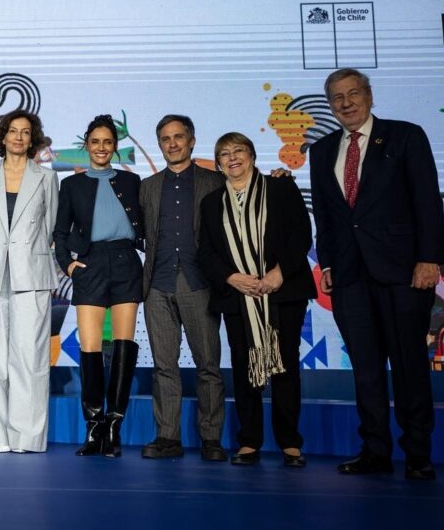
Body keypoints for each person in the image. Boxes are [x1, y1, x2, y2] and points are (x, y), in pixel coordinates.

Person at [309, 68, 443, 481]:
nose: (346, 103)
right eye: (337, 97)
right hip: (350, 276)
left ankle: (418, 453)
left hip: (403, 272)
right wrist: (328, 263)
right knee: (365, 370)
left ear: (368, 95)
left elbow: (427, 201)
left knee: (409, 367)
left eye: (353, 94)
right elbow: (328, 218)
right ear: (330, 105)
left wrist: (429, 259)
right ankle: (375, 450)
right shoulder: (322, 149)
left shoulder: (405, 136)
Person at [199, 132, 316, 467]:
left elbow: (300, 235)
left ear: (251, 155)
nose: (232, 158)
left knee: (285, 367)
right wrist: (231, 277)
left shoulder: (280, 187)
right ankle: (249, 441)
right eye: (224, 153)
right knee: (243, 366)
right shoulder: (211, 202)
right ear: (218, 163)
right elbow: (205, 252)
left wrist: (279, 274)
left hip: (283, 292)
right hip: (238, 296)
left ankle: (290, 443)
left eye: (239, 151)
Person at [0, 109, 59, 453]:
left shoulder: (47, 179)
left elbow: (49, 226)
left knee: (30, 357)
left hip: (31, 275)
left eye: (25, 132)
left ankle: (26, 435)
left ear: (32, 139)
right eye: (13, 131)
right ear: (2, 137)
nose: (19, 137)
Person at [54, 114, 144, 457]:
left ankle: (114, 428)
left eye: (108, 142)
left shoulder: (132, 182)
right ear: (86, 146)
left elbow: (146, 225)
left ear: (115, 147)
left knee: (124, 345)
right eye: (95, 142)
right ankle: (93, 429)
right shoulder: (72, 185)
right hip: (90, 266)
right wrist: (68, 265)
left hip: (125, 262)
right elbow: (60, 233)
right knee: (90, 347)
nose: (101, 147)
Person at [139, 115, 227, 461]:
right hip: (157, 285)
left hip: (199, 283)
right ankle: (168, 436)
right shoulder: (147, 186)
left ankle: (211, 438)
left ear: (191, 140)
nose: (172, 144)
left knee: (208, 364)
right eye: (165, 139)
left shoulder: (214, 182)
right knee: (164, 366)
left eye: (178, 137)